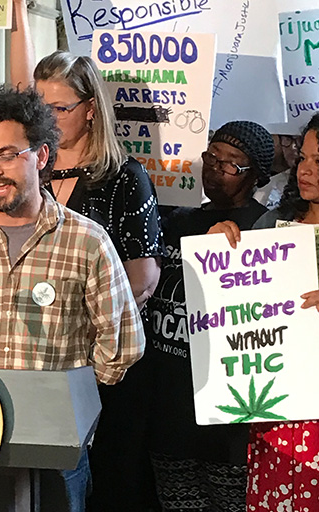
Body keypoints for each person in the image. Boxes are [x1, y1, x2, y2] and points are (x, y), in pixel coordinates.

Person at [0, 87, 145, 510]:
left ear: (42, 155)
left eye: (7, 155)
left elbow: (122, 344)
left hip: (56, 451)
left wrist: (72, 402)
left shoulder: (86, 240)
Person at [33, 50, 164, 511]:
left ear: (91, 108)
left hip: (110, 366)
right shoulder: (31, 175)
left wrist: (74, 312)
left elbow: (143, 277)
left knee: (111, 484)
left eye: (59, 108)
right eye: (39, 105)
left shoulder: (125, 178)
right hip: (43, 359)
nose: (46, 116)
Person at [146, 120, 274, 512]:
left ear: (256, 177)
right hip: (169, 406)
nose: (216, 169)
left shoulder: (266, 229)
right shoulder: (175, 219)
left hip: (228, 421)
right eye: (212, 157)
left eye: (232, 164)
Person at [207, 113, 319, 511]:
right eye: (302, 157)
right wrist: (218, 254)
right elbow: (232, 310)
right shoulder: (272, 227)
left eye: (318, 161)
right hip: (275, 415)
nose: (305, 169)